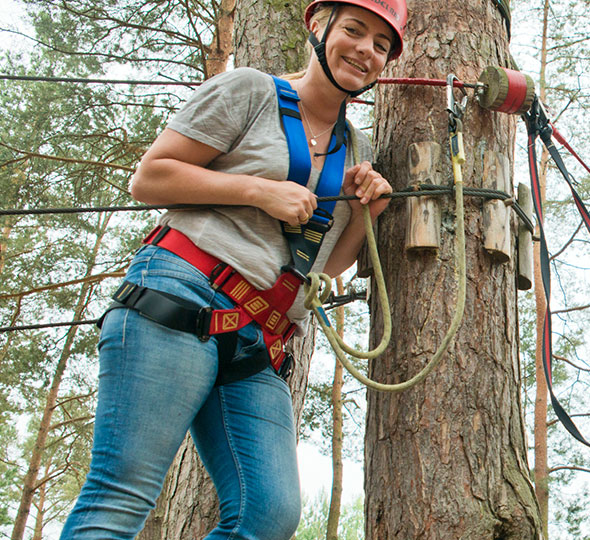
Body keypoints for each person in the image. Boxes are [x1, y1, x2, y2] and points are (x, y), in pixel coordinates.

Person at [60, 0, 403, 537]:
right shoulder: (250, 91)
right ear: (318, 26)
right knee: (122, 493)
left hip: (262, 335)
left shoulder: (357, 147)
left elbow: (330, 263)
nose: (366, 50)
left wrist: (366, 211)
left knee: (268, 515)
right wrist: (256, 190)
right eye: (355, 31)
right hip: (185, 291)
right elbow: (150, 177)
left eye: (381, 45)